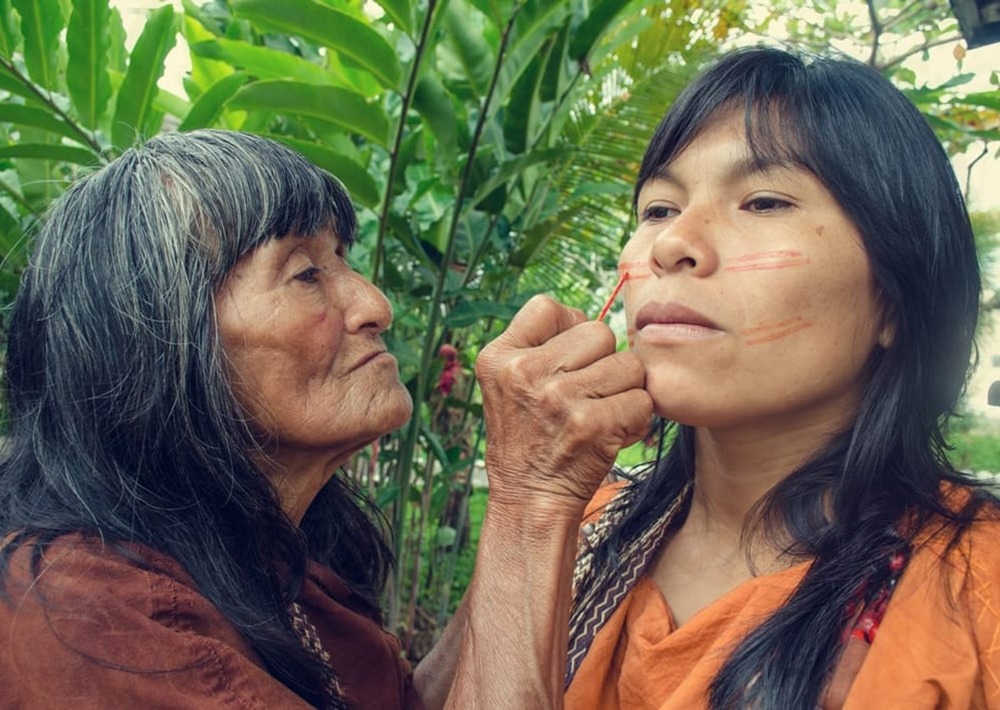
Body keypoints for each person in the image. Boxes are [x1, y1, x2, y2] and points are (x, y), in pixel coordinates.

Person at [0, 129, 653, 708]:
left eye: (342, 258)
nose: (374, 305)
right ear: (158, 345)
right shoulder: (86, 616)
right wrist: (531, 503)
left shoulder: (272, 571)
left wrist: (540, 499)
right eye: (307, 272)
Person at [561, 47, 1000, 708]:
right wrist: (526, 506)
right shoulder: (574, 525)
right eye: (658, 209)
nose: (672, 242)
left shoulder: (978, 590)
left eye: (763, 202)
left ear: (893, 299)